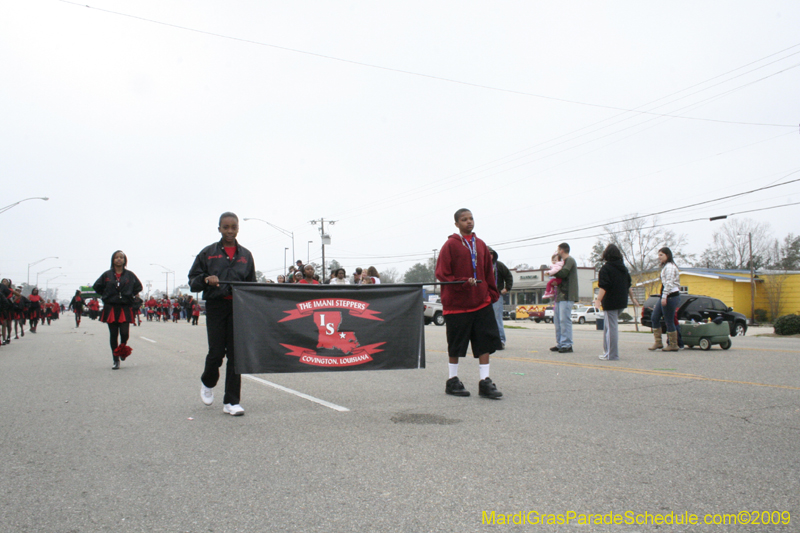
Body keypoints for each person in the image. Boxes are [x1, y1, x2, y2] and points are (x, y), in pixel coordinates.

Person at [188, 212, 255, 417]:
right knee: (217, 353)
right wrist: (207, 280)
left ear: (238, 229)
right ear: (219, 229)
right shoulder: (207, 253)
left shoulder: (246, 255)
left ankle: (231, 401)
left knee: (236, 356)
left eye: (233, 227)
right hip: (216, 307)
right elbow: (193, 281)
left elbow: (251, 285)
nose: (229, 231)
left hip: (238, 309)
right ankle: (207, 382)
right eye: (225, 227)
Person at [435, 208, 503, 399]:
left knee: (484, 342)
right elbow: (442, 274)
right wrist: (462, 282)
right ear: (457, 224)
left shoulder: (480, 245)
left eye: (471, 218)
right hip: (457, 304)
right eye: (464, 219)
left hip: (481, 303)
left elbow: (488, 271)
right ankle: (453, 380)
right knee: (456, 344)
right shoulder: (449, 245)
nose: (469, 222)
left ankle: (485, 381)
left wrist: (491, 292)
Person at [93, 250, 144, 370]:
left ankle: (122, 349)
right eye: (116, 257)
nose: (119, 259)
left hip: (125, 307)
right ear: (113, 260)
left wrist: (129, 294)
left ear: (125, 260)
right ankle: (115, 360)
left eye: (121, 257)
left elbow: (139, 287)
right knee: (113, 334)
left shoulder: (130, 275)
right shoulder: (107, 275)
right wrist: (106, 295)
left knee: (125, 333)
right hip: (111, 307)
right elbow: (97, 286)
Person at [594, 244, 639, 361]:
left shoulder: (606, 269)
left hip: (610, 302)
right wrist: (633, 298)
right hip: (622, 302)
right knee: (608, 326)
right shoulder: (623, 269)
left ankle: (612, 354)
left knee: (611, 328)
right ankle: (607, 351)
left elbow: (604, 286)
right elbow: (629, 286)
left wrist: (598, 300)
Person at [648, 247, 681, 352]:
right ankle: (658, 342)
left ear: (667, 255)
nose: (659, 257)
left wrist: (664, 296)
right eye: (659, 255)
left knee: (669, 320)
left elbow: (669, 283)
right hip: (664, 295)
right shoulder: (665, 267)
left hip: (671, 296)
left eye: (661, 255)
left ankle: (673, 344)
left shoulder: (670, 267)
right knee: (654, 317)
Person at [550, 243, 578, 354]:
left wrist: (552, 271)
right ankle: (560, 343)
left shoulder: (570, 260)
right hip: (559, 296)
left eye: (558, 250)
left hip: (567, 294)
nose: (557, 252)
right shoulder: (561, 262)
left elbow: (564, 273)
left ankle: (567, 344)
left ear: (562, 250)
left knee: (564, 320)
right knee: (557, 320)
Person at [489, 249, 513, 349]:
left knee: (497, 318)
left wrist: (507, 288)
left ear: (493, 255)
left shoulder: (499, 265)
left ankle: (501, 340)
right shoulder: (481, 266)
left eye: (490, 254)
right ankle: (490, 341)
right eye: (487, 254)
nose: (489, 255)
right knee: (487, 320)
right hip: (485, 296)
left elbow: (509, 276)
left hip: (497, 296)